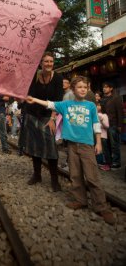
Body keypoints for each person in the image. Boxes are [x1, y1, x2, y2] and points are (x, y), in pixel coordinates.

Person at [26, 76, 115, 225]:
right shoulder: (66, 104)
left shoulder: (91, 106)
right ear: (73, 89)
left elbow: (95, 124)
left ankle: (101, 207)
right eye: (79, 87)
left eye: (85, 87)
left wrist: (98, 142)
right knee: (75, 175)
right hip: (72, 146)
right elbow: (50, 104)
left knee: (92, 177)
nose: (82, 90)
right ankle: (81, 200)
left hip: (87, 146)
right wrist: (34, 100)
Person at [23, 52, 63, 191]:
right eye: (46, 61)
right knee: (34, 146)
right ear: (41, 63)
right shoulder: (34, 76)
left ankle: (54, 180)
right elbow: (27, 93)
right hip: (32, 114)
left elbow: (58, 100)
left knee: (51, 148)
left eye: (51, 61)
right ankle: (37, 175)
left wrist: (53, 118)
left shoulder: (58, 78)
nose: (49, 64)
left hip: (48, 116)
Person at [101, 81, 123, 169]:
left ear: (111, 88)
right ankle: (108, 161)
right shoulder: (102, 99)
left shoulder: (116, 98)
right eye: (103, 87)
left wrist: (120, 125)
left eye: (106, 87)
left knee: (114, 144)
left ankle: (116, 162)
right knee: (106, 144)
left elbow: (120, 112)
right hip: (104, 124)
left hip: (113, 124)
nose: (104, 88)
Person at [96, 102, 110, 171]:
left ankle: (107, 164)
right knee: (98, 151)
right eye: (97, 105)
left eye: (99, 105)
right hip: (96, 136)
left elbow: (107, 126)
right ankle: (99, 163)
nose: (98, 107)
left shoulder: (104, 115)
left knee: (105, 151)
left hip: (103, 136)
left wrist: (101, 121)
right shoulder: (95, 115)